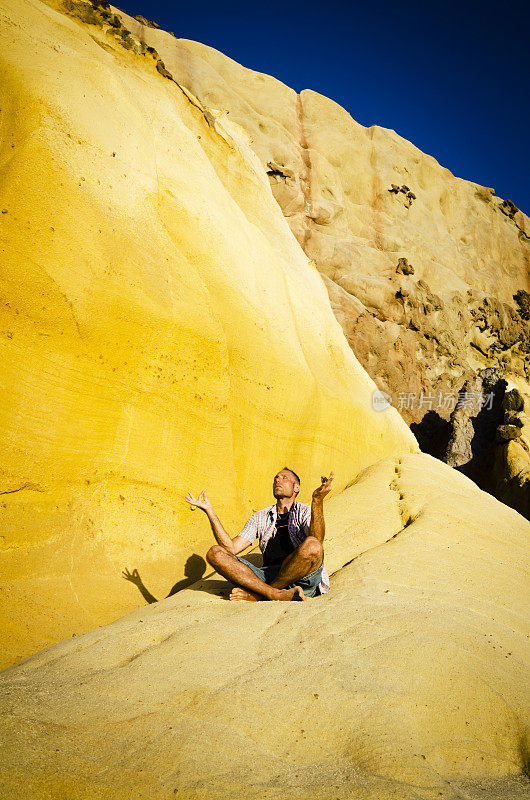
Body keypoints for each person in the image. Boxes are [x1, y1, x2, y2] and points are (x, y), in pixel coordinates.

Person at [185, 468, 334, 601]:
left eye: (284, 478)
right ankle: (273, 593)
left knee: (313, 545)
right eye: (276, 478)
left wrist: (317, 501)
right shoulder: (259, 517)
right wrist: (209, 511)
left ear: (296, 487)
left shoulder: (306, 511)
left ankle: (260, 595)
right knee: (215, 553)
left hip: (302, 577)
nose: (277, 480)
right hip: (267, 576)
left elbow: (317, 540)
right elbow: (230, 548)